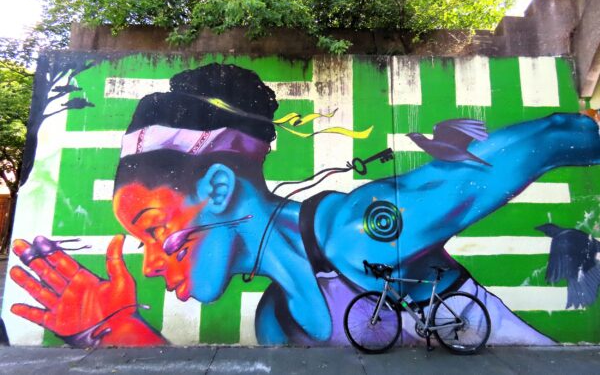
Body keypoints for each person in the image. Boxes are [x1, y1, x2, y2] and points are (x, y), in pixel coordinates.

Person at [9, 63, 600, 346]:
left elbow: (549, 137)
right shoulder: (278, 322)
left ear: (218, 188)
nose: (151, 264)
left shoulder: (360, 231)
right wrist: (110, 328)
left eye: (151, 229)